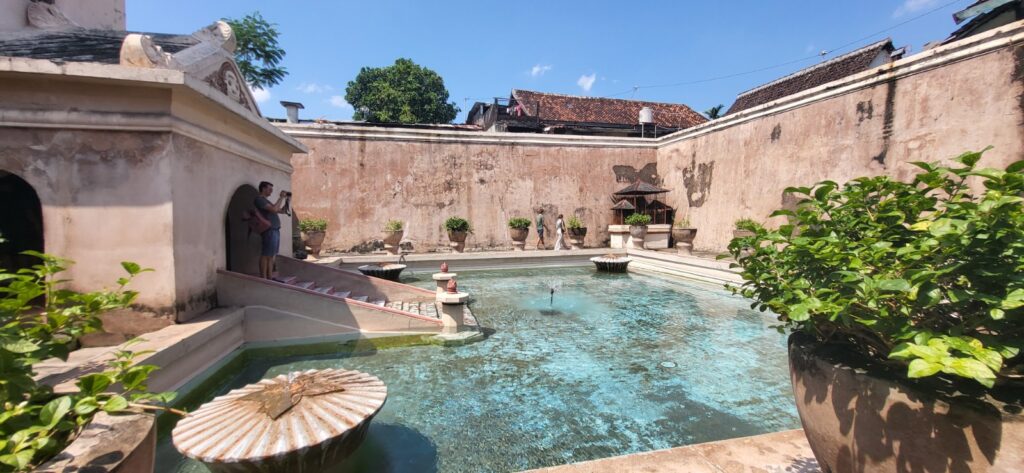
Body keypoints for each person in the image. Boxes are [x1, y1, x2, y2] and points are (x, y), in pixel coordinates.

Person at [255, 181, 289, 279]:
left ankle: (269, 277)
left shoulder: (267, 201)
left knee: (271, 255)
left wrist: (287, 200)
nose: (271, 191)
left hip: (275, 229)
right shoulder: (259, 200)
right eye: (269, 189)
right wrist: (281, 197)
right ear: (263, 189)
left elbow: (281, 211)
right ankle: (263, 277)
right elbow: (274, 209)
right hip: (269, 230)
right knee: (266, 254)